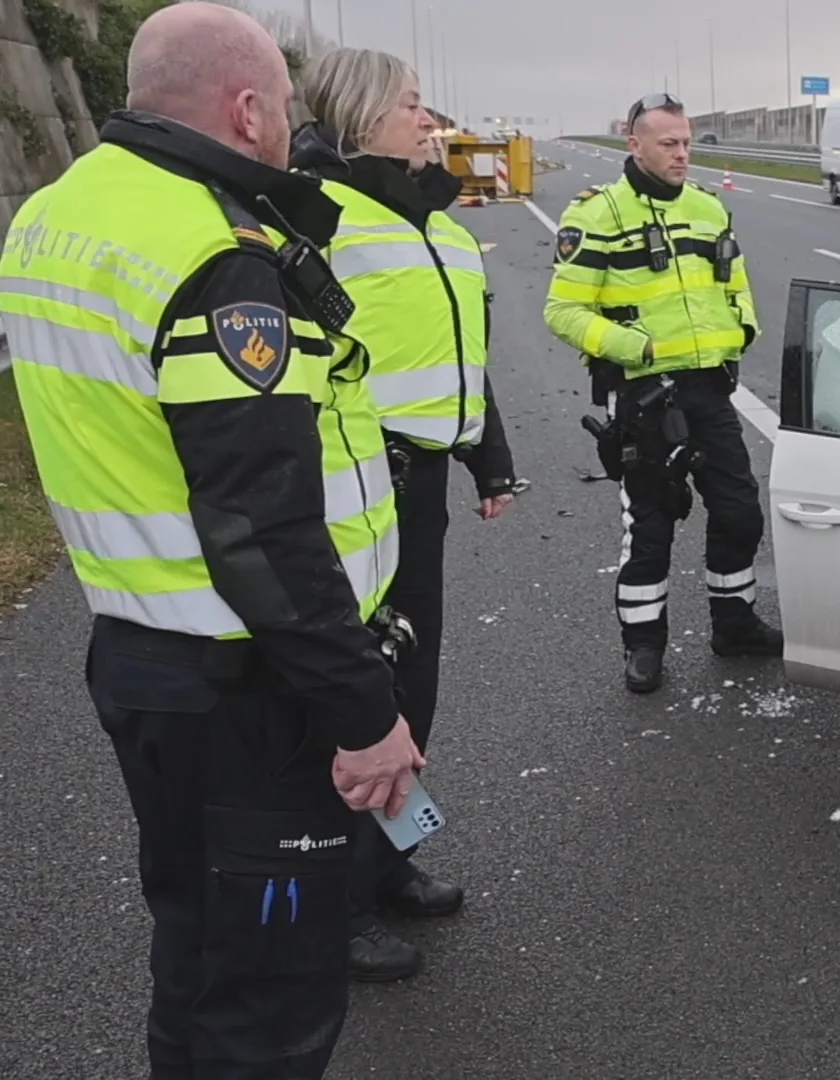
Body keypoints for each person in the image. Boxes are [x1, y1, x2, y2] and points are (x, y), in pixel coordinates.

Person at [0, 3, 423, 1076]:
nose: (288, 128)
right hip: (247, 689)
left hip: (142, 662)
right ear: (246, 109)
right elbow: (263, 525)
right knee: (271, 1001)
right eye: (282, 107)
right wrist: (363, 713)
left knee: (196, 950)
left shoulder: (56, 211)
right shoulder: (217, 251)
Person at [289, 45, 519, 983]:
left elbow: (463, 356)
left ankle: (384, 864)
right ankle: (326, 909)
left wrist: (487, 452)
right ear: (360, 115)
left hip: (419, 485)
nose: (431, 121)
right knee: (350, 695)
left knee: (411, 684)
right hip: (352, 486)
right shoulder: (315, 215)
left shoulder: (440, 222)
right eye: (414, 106)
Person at [544, 91, 782, 693]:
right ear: (635, 143)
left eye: (686, 142)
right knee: (651, 525)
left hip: (709, 389)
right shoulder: (597, 215)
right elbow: (564, 311)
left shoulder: (708, 208)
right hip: (644, 397)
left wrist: (742, 329)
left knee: (739, 510)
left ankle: (734, 626)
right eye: (669, 144)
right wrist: (638, 349)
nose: (682, 155)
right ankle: (644, 644)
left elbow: (737, 284)